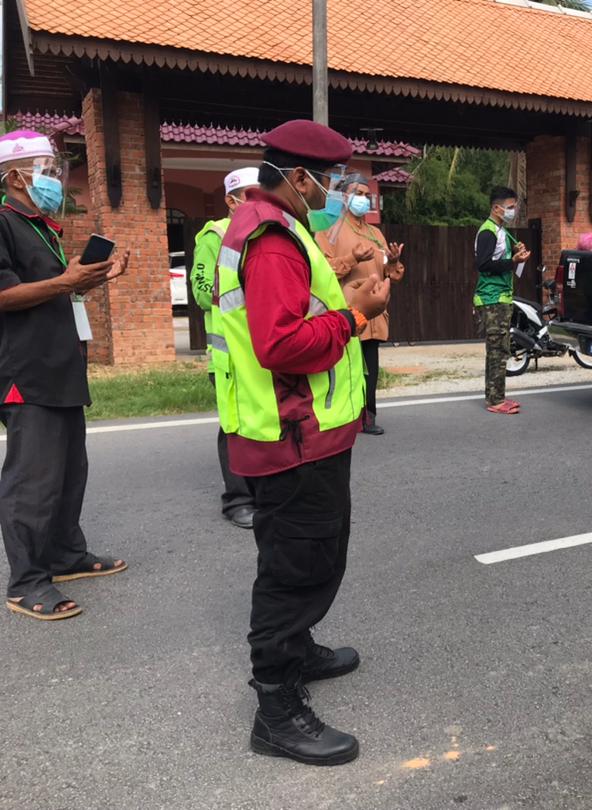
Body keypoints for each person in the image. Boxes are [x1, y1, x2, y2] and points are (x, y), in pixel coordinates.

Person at [211, 120, 390, 765]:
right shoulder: (274, 241)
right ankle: (276, 707)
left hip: (307, 433)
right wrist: (356, 314)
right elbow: (281, 345)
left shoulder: (280, 228)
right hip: (293, 437)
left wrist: (343, 301)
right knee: (293, 570)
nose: (340, 193)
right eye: (333, 182)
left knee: (316, 554)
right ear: (299, 177)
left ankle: (300, 650)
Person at [0, 129, 129, 621]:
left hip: (60, 366)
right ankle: (27, 581)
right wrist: (64, 280)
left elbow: (56, 294)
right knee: (32, 480)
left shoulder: (42, 227)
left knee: (69, 471)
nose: (54, 178)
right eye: (43, 169)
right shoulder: (4, 222)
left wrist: (92, 278)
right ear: (14, 176)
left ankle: (65, 554)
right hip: (25, 371)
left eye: (54, 169)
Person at [190, 167, 260, 528]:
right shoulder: (214, 236)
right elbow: (202, 291)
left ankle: (263, 492)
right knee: (234, 424)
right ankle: (237, 499)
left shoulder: (266, 231)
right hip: (230, 353)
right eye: (250, 194)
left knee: (262, 421)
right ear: (231, 201)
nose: (257, 201)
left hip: (263, 348)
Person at [316, 173, 405, 436]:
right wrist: (351, 258)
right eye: (358, 194)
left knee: (370, 370)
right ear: (343, 196)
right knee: (346, 369)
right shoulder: (329, 229)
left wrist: (394, 261)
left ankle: (368, 417)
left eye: (367, 195)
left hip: (376, 313)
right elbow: (323, 272)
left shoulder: (375, 232)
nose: (363, 200)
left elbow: (390, 273)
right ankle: (343, 417)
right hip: (347, 311)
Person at [474, 186, 530, 415]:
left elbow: (504, 261)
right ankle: (495, 400)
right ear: (496, 208)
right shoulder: (488, 231)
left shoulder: (502, 232)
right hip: (491, 297)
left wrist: (517, 255)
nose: (513, 211)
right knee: (497, 350)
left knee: (501, 349)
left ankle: (497, 395)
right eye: (510, 207)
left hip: (501, 296)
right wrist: (512, 260)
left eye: (514, 206)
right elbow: (483, 265)